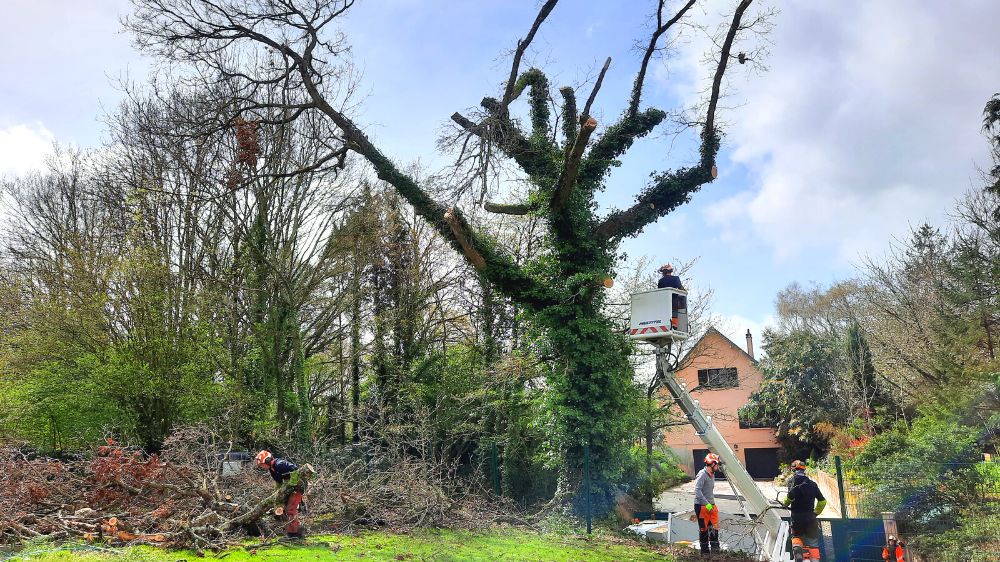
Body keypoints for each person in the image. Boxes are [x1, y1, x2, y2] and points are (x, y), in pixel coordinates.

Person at [783, 460, 827, 561]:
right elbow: (822, 502)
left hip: (796, 518)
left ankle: (799, 558)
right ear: (804, 470)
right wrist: (815, 513)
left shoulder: (792, 483)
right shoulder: (812, 484)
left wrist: (785, 503)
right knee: (813, 544)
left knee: (797, 538)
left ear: (793, 470)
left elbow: (788, 500)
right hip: (810, 519)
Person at [255, 450, 305, 539]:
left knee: (291, 508)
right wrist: (277, 494)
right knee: (284, 509)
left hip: (297, 486)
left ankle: (294, 534)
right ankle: (293, 532)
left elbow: (294, 468)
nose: (262, 467)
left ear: (267, 460)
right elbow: (278, 482)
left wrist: (292, 483)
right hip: (289, 488)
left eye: (262, 464)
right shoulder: (272, 469)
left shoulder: (280, 464)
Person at [694, 452, 722, 556]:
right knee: (704, 530)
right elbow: (697, 491)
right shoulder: (702, 475)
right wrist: (707, 504)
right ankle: (705, 554)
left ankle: (715, 553)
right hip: (701, 507)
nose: (718, 466)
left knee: (714, 527)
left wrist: (711, 505)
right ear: (712, 464)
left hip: (711, 505)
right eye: (717, 464)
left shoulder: (712, 475)